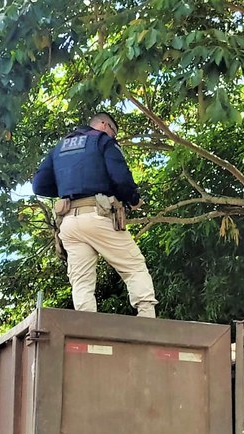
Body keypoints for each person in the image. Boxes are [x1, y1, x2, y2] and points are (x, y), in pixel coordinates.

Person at [32, 112, 158, 318]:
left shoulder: (59, 147)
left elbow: (39, 185)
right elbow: (121, 179)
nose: (113, 137)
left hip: (69, 223)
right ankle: (147, 316)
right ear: (104, 125)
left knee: (81, 280)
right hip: (97, 216)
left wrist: (70, 188)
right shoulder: (102, 141)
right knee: (134, 266)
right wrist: (134, 200)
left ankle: (85, 324)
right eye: (114, 132)